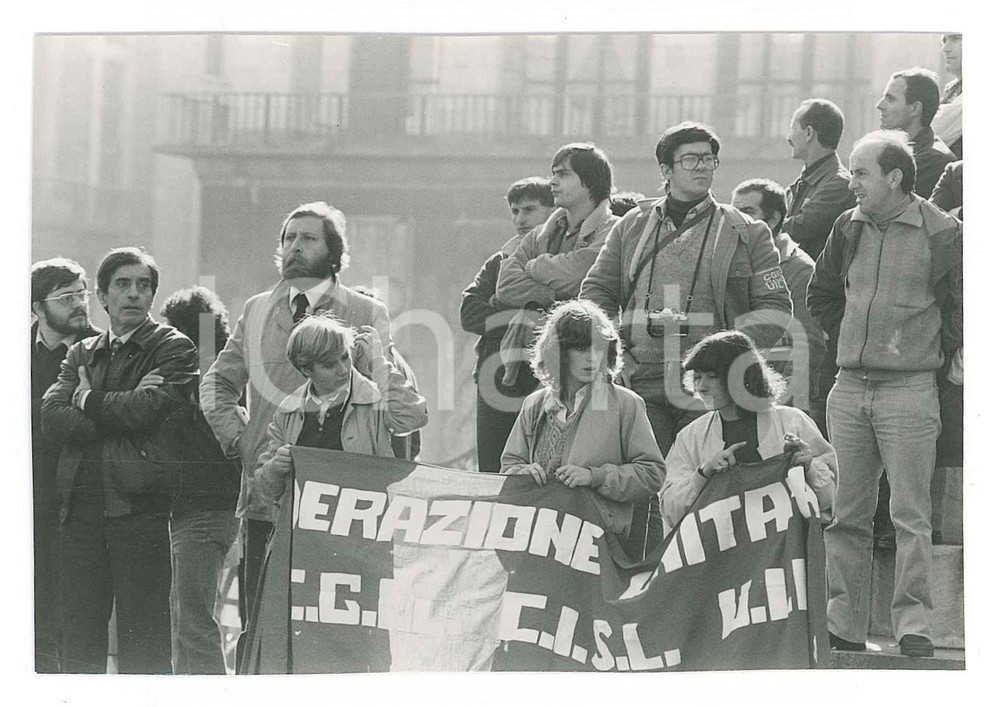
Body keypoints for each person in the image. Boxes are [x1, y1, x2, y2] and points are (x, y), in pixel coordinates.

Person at [581, 121, 791, 558]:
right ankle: (642, 588)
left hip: (711, 389)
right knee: (644, 491)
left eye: (709, 159)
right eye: (691, 159)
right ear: (666, 168)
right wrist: (613, 348)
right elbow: (595, 292)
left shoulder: (746, 232)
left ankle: (696, 592)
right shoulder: (630, 227)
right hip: (640, 382)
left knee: (706, 492)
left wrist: (725, 355)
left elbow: (775, 309)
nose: (703, 167)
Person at [199, 201, 393, 663]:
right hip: (271, 499)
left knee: (341, 635)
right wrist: (242, 441)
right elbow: (217, 383)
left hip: (345, 508)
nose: (294, 247)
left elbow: (388, 398)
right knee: (262, 629)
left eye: (308, 238)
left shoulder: (365, 310)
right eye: (288, 238)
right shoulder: (257, 309)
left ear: (334, 251)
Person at [807, 130, 962, 658]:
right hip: (849, 388)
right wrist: (847, 338)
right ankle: (842, 625)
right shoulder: (845, 226)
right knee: (845, 514)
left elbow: (965, 306)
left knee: (910, 514)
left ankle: (912, 627)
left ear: (895, 177)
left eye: (861, 172)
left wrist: (927, 352)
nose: (852, 183)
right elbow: (821, 292)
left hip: (911, 390)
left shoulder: (944, 232)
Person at [42, 247, 199, 673]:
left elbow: (155, 408)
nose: (134, 294)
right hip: (80, 511)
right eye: (123, 285)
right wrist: (124, 409)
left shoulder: (174, 346)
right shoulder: (82, 352)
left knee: (144, 644)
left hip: (139, 508)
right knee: (78, 643)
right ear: (103, 297)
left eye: (143, 285)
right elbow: (52, 417)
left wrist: (88, 399)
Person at [499, 300, 666, 549]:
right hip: (539, 541)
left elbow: (652, 474)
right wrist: (521, 474)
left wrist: (594, 477)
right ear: (557, 352)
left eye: (598, 348)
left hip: (603, 544)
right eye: (580, 349)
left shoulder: (626, 403)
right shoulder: (534, 405)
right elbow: (508, 467)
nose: (592, 358)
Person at [659, 330, 836, 536]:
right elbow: (670, 511)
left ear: (741, 377)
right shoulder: (691, 437)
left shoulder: (792, 422)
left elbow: (829, 499)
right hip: (721, 555)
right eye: (697, 377)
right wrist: (703, 474)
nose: (701, 387)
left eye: (712, 377)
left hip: (781, 553)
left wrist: (808, 467)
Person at [252, 315, 427, 509]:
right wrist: (274, 468)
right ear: (306, 370)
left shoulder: (374, 399)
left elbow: (414, 417)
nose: (343, 369)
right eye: (329, 365)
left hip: (365, 527)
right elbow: (264, 492)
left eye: (345, 357)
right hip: (307, 534)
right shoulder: (287, 411)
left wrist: (379, 363)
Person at [159, 286, 242, 674]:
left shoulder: (193, 378)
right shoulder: (225, 372)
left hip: (201, 510)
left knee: (192, 622)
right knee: (188, 622)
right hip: (218, 508)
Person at [30, 258, 100, 673]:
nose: (79, 304)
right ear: (38, 308)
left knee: (74, 615)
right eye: (67, 296)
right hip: (27, 497)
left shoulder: (102, 349)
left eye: (82, 293)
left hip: (79, 494)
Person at [461, 177, 554, 472]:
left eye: (529, 209)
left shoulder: (560, 261)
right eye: (514, 211)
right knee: (492, 468)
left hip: (545, 379)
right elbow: (469, 313)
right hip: (495, 379)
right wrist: (522, 310)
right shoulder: (499, 261)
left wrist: (500, 305)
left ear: (553, 210)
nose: (519, 219)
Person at [732, 178, 829, 435]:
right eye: (734, 212)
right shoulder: (732, 262)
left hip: (777, 404)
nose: (737, 221)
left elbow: (807, 346)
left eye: (748, 212)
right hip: (735, 396)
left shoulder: (800, 270)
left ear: (773, 220)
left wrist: (783, 409)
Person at [495, 143, 618, 312]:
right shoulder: (538, 234)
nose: (552, 181)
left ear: (590, 180)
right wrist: (559, 298)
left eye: (563, 174)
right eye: (553, 174)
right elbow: (506, 285)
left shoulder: (614, 230)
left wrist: (532, 267)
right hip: (534, 338)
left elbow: (579, 275)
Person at [784, 98, 856, 261]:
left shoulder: (839, 184)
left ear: (809, 133)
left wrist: (755, 226)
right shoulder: (800, 184)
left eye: (792, 129)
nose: (788, 138)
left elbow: (798, 228)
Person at [876, 67, 956, 198]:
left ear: (915, 109)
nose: (879, 105)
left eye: (890, 99)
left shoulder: (934, 161)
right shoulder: (894, 150)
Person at [931, 34, 962, 159]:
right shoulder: (952, 87)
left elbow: (935, 129)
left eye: (955, 39)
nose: (945, 48)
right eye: (944, 40)